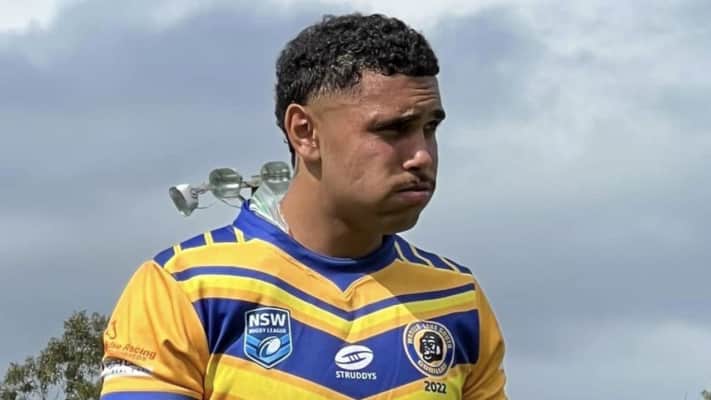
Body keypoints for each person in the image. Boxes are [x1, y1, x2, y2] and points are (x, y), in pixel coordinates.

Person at [100, 13, 507, 400]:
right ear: (305, 132)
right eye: (393, 129)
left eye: (430, 128)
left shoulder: (457, 298)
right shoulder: (186, 287)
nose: (422, 155)